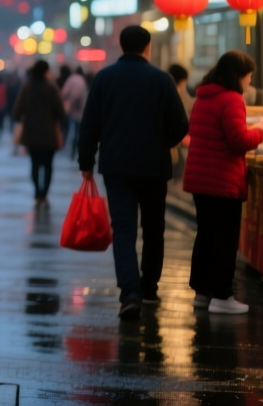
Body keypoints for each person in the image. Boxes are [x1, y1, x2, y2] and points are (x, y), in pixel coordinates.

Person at [78, 25, 190, 320]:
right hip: (154, 166)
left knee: (124, 230)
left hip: (117, 166)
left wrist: (86, 163)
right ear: (148, 47)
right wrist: (161, 143)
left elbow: (89, 124)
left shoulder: (104, 78)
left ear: (121, 46)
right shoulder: (161, 79)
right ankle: (149, 286)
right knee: (154, 229)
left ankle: (130, 293)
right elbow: (181, 124)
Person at [182, 51, 263, 314]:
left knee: (206, 235)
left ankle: (202, 293)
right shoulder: (232, 99)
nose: (249, 81)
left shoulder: (204, 98)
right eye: (248, 75)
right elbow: (239, 141)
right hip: (221, 181)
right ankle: (222, 297)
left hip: (201, 180)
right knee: (224, 239)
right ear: (238, 76)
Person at [12, 60, 65, 203]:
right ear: (46, 71)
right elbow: (60, 112)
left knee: (35, 164)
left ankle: (37, 193)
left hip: (31, 133)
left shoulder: (27, 88)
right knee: (48, 165)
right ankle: (44, 194)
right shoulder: (52, 88)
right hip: (49, 134)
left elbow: (17, 112)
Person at [61, 66, 88, 156]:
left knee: (68, 129)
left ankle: (64, 145)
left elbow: (64, 92)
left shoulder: (71, 79)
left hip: (70, 109)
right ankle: (75, 148)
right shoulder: (83, 81)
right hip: (80, 111)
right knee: (77, 131)